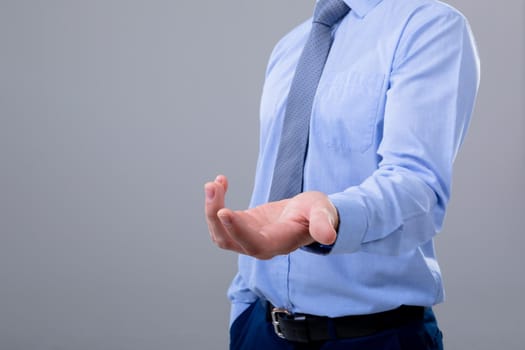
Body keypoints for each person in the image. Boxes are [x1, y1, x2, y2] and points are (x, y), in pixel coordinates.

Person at [204, 0, 479, 349]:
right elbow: (270, 182)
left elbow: (417, 184)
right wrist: (243, 309)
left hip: (372, 337)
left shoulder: (427, 26)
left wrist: (334, 215)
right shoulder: (291, 46)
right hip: (262, 330)